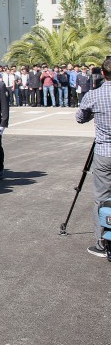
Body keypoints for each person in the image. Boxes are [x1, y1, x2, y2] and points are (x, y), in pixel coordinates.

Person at [75, 56, 111, 258]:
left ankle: (101, 242)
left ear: (102, 74)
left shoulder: (94, 95)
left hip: (104, 152)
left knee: (101, 197)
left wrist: (92, 114)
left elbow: (80, 118)